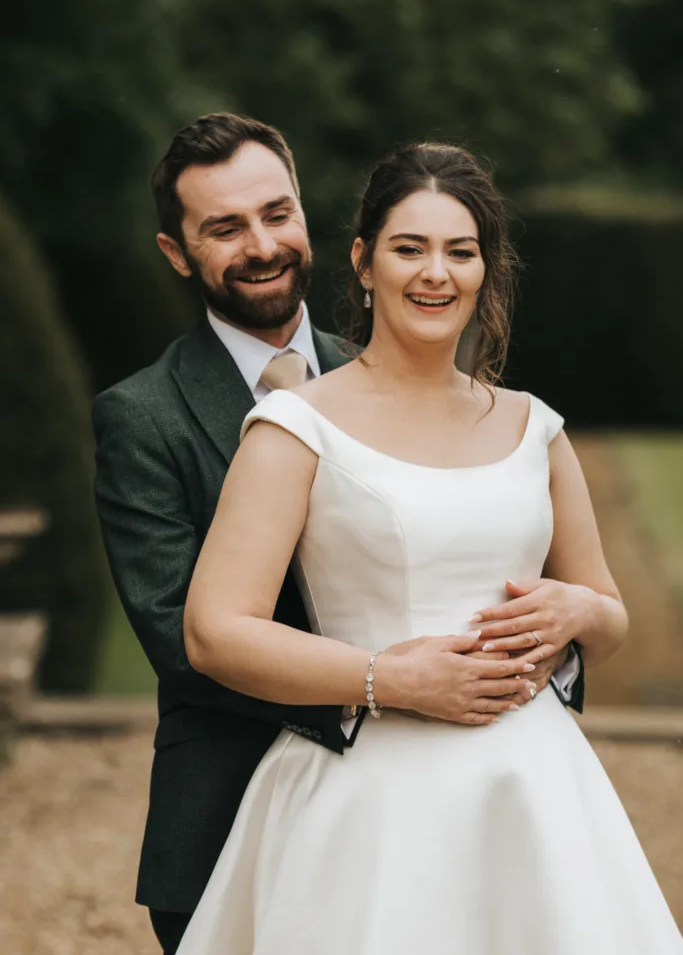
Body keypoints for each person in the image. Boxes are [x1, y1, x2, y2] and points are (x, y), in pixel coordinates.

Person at [92, 116, 583, 955]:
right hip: (237, 800)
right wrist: (391, 683)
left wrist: (527, 649)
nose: (262, 244)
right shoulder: (143, 418)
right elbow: (188, 639)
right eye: (224, 228)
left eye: (275, 213)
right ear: (177, 253)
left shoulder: (400, 371)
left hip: (471, 782)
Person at [177, 142, 683, 954]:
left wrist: (575, 608)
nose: (435, 274)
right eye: (408, 248)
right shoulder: (295, 428)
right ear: (363, 262)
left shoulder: (534, 428)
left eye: (460, 251)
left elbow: (610, 617)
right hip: (368, 792)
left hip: (533, 790)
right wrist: (388, 678)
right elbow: (214, 631)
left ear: (486, 270)